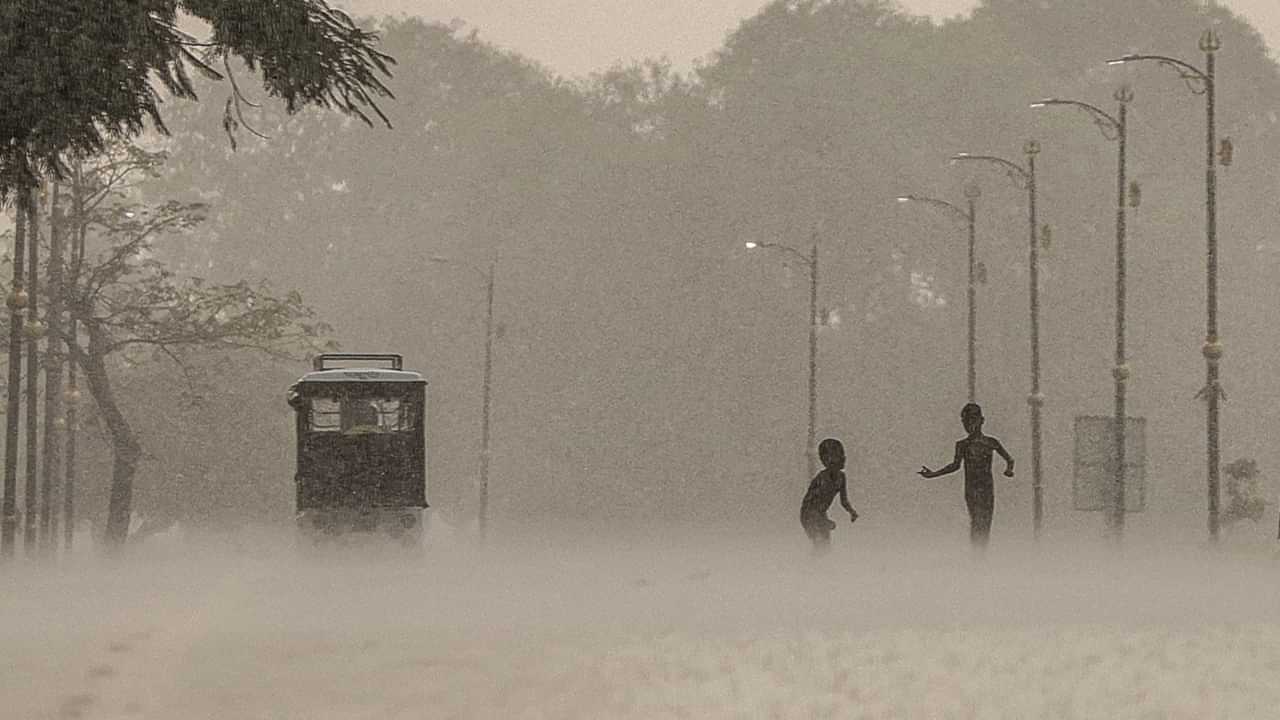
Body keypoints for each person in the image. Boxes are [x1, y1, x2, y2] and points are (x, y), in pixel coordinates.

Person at [918, 403, 1014, 549]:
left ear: (982, 420)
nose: (969, 424)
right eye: (965, 421)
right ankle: (977, 554)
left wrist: (1009, 470)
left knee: (985, 521)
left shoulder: (991, 442)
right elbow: (955, 466)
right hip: (972, 489)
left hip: (986, 488)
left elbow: (1010, 459)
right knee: (976, 520)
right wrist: (933, 474)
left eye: (972, 420)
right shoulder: (962, 445)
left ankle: (981, 553)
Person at [800, 438, 858, 555]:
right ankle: (811, 568)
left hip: (820, 514)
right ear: (827, 460)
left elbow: (844, 500)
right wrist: (822, 521)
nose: (843, 458)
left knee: (825, 547)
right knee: (819, 542)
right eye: (838, 455)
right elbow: (808, 504)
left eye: (843, 454)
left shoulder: (841, 478)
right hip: (809, 515)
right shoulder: (821, 478)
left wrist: (852, 512)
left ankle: (821, 568)